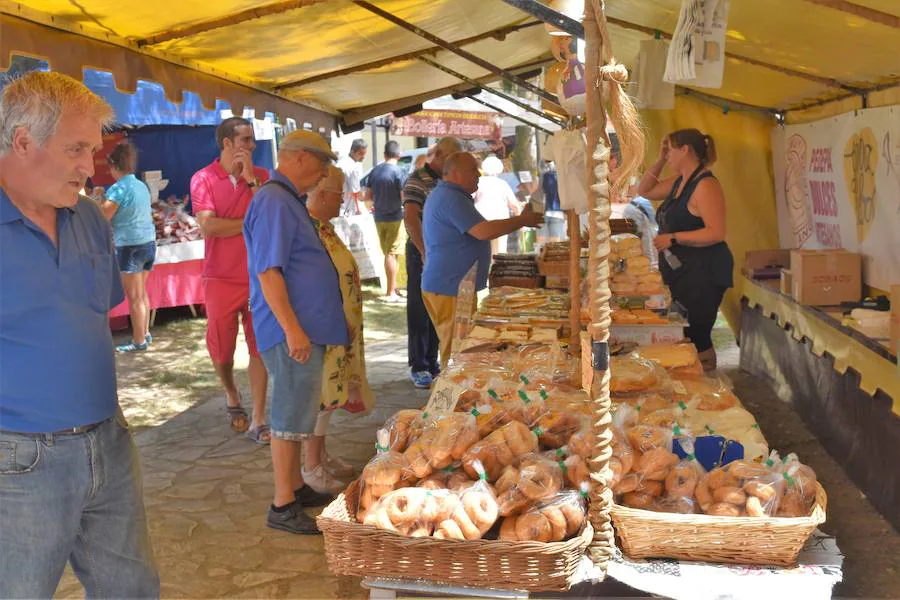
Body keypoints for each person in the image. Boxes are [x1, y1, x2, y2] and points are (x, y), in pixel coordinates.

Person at [0, 71, 159, 598]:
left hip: (108, 441)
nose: (88, 168)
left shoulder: (89, 218)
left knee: (132, 590)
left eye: (93, 150)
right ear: (23, 140)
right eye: (75, 149)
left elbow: (90, 315)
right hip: (19, 459)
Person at [243, 130, 348, 535]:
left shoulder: (283, 199)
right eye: (322, 164)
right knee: (288, 418)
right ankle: (282, 503)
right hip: (291, 331)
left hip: (300, 328)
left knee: (299, 413)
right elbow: (268, 272)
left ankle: (296, 487)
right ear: (301, 158)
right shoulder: (274, 200)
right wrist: (293, 330)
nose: (324, 175)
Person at [422, 152, 544, 370]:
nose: (477, 175)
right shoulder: (451, 198)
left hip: (452, 285)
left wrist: (520, 219)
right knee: (456, 350)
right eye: (472, 170)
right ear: (456, 173)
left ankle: (453, 394)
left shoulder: (451, 195)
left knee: (459, 346)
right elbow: (483, 231)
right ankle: (448, 398)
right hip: (450, 286)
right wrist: (522, 220)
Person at [191, 117, 271, 442]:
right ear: (227, 143)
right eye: (246, 140)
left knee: (260, 347)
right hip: (220, 279)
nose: (252, 146)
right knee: (222, 352)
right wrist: (250, 222)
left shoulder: (263, 178)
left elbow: (272, 218)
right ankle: (231, 393)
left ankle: (259, 417)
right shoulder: (203, 179)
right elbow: (209, 227)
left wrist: (251, 182)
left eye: (252, 140)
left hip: (259, 277)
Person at [304, 165, 375, 493]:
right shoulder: (310, 232)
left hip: (340, 327)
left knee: (331, 393)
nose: (343, 201)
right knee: (323, 394)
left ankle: (321, 454)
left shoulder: (324, 228)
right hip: (327, 327)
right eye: (339, 195)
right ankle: (311, 465)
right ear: (321, 195)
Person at [638, 129, 734, 371]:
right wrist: (659, 160)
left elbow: (716, 232)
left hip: (704, 272)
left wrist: (673, 237)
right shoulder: (680, 181)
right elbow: (644, 190)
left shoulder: (706, 185)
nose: (667, 155)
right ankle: (694, 384)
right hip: (682, 271)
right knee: (685, 332)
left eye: (670, 150)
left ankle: (709, 386)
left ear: (686, 150)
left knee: (698, 336)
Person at [402, 136, 462, 389]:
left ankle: (434, 361)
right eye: (449, 159)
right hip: (423, 251)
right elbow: (411, 217)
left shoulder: (445, 181)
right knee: (420, 308)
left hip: (444, 253)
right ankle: (420, 365)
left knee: (441, 307)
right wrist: (424, 250)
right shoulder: (417, 179)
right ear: (437, 156)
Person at [97, 141, 157, 352]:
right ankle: (145, 333)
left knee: (134, 296)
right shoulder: (141, 185)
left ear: (114, 166)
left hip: (129, 245)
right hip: (148, 242)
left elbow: (104, 215)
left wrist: (94, 204)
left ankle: (139, 340)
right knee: (141, 292)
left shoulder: (119, 188)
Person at [368, 140, 406, 301]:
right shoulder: (399, 172)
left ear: (384, 154)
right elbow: (403, 196)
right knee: (392, 254)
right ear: (399, 155)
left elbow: (367, 195)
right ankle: (390, 290)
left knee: (388, 253)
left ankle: (393, 287)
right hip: (395, 217)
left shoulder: (375, 171)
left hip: (379, 217)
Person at [473, 155, 521, 256]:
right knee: (499, 254)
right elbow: (514, 205)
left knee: (482, 254)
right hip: (500, 223)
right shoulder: (502, 184)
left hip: (481, 222)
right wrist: (520, 217)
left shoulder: (478, 182)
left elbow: (469, 198)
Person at [337, 138, 367, 216]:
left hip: (339, 207)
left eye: (364, 154)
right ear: (353, 151)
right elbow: (358, 193)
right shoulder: (353, 168)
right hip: (348, 210)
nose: (363, 157)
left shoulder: (340, 163)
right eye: (361, 153)